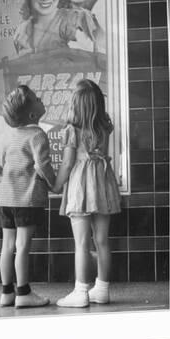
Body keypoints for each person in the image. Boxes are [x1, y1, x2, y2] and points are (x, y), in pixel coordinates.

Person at [52, 79, 121, 307]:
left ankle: (80, 291)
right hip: (103, 183)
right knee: (102, 240)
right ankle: (102, 289)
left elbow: (68, 163)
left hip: (81, 186)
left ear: (76, 105)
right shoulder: (104, 127)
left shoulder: (72, 130)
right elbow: (104, 156)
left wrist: (57, 185)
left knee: (82, 243)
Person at [0, 85, 55, 308]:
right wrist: (54, 184)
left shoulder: (10, 136)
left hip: (6, 199)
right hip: (27, 199)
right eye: (37, 98)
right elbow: (42, 166)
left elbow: (5, 163)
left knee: (7, 246)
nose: (41, 99)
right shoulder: (38, 135)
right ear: (33, 114)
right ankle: (23, 292)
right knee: (22, 246)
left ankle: (6, 292)